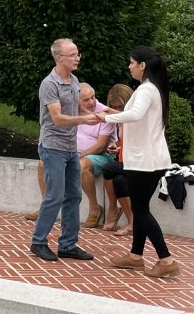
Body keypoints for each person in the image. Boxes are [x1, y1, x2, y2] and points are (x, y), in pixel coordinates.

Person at [100, 47, 180, 278]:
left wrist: (106, 117)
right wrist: (104, 110)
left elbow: (134, 115)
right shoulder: (154, 89)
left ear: (142, 65)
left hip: (144, 161)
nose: (129, 66)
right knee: (140, 207)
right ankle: (135, 256)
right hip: (151, 159)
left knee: (141, 210)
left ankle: (166, 259)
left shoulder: (146, 90)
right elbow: (135, 114)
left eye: (132, 62)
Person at [29, 38, 98, 263]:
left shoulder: (74, 80)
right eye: (72, 54)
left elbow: (77, 105)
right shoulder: (49, 84)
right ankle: (38, 241)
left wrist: (104, 114)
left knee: (74, 195)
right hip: (53, 147)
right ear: (59, 58)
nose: (77, 58)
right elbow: (57, 118)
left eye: (78, 54)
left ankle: (68, 244)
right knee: (55, 195)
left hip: (70, 148)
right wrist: (84, 120)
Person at [75, 83, 119, 228]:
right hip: (76, 153)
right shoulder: (71, 111)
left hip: (102, 155)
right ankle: (45, 206)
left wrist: (79, 155)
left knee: (81, 165)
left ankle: (95, 208)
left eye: (93, 97)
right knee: (44, 162)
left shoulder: (102, 112)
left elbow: (100, 146)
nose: (91, 102)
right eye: (86, 100)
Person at [102, 83, 134, 234]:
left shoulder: (135, 118)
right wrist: (116, 145)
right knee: (119, 180)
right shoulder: (120, 122)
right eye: (114, 107)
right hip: (124, 158)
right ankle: (131, 222)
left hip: (138, 161)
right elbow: (124, 141)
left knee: (108, 169)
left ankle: (113, 209)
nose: (118, 111)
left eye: (120, 107)